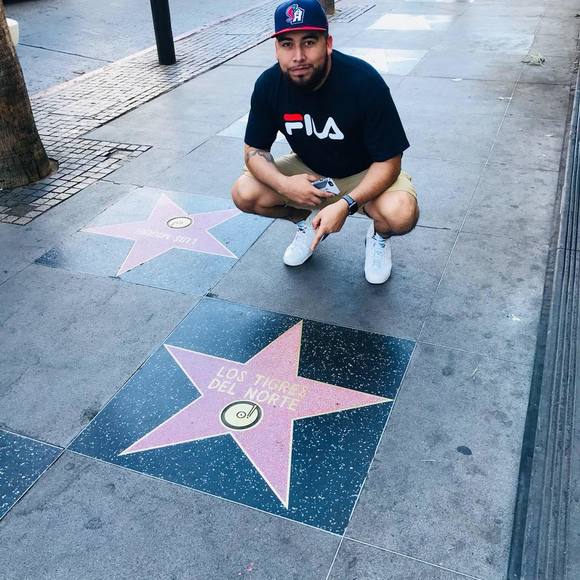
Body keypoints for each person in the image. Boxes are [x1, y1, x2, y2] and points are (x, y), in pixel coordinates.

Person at [231, 0, 419, 284]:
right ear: (276, 49)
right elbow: (254, 151)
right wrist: (285, 185)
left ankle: (378, 237)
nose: (298, 56)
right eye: (287, 44)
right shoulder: (269, 84)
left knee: (401, 214)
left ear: (328, 43)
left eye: (309, 42)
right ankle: (306, 223)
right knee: (245, 192)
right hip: (310, 170)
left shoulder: (363, 81)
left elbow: (390, 161)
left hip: (364, 172)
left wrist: (346, 204)